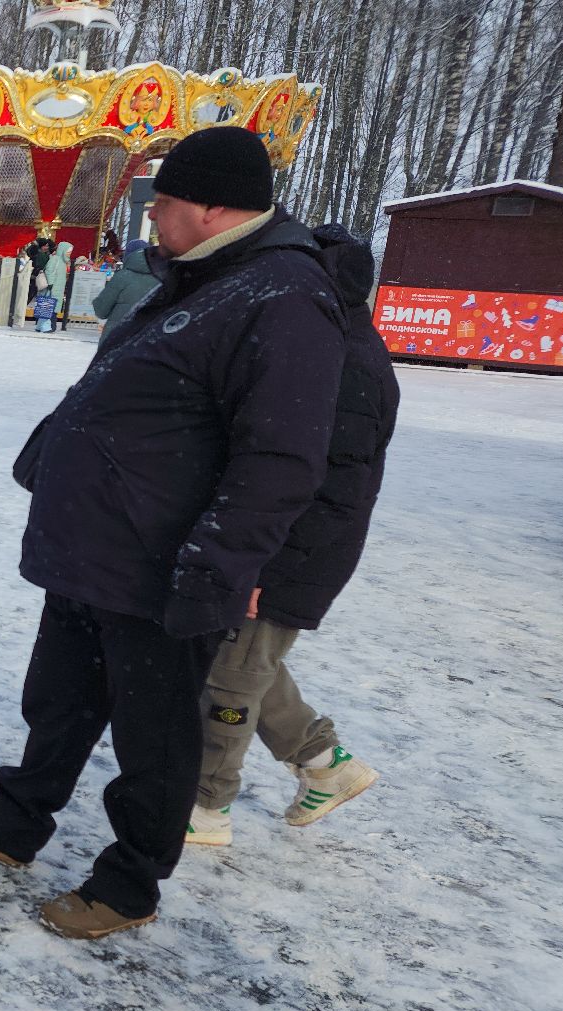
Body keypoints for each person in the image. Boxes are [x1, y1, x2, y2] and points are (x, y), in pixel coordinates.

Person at [0, 126, 345, 940]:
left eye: (167, 202)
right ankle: (14, 824)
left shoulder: (281, 296)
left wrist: (215, 564)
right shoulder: (203, 276)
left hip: (164, 562)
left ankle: (127, 886)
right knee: (60, 703)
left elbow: (282, 456)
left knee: (154, 740)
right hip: (100, 546)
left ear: (215, 207)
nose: (151, 218)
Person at [186, 222, 399, 845]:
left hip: (290, 555)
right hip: (278, 547)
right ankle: (325, 763)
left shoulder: (348, 366)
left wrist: (262, 567)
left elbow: (334, 489)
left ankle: (206, 806)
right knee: (249, 664)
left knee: (231, 676)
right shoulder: (330, 347)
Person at [93, 239, 158, 340]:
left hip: (116, 336)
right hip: (145, 340)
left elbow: (101, 310)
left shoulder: (122, 277)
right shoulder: (159, 279)